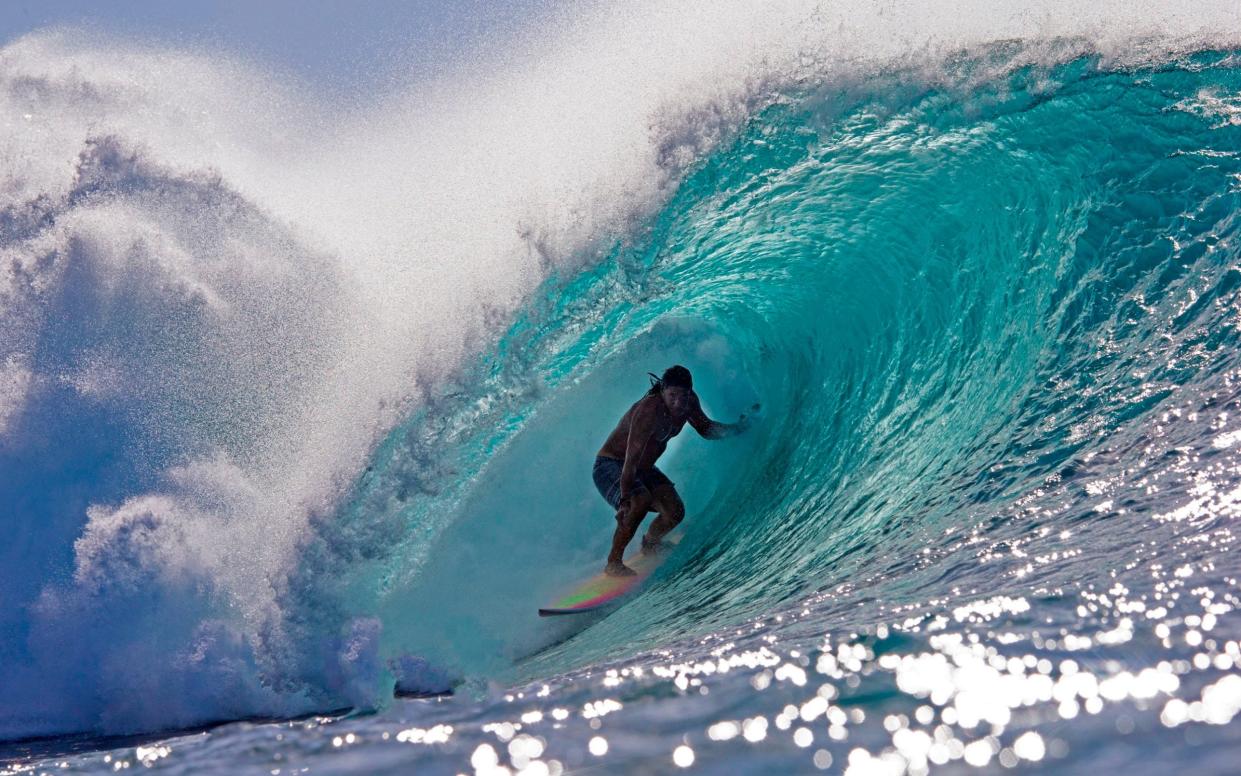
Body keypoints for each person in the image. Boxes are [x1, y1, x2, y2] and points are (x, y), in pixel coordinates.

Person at [593, 365, 755, 576]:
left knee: (674, 512)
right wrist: (624, 502)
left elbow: (705, 429)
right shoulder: (647, 412)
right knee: (638, 501)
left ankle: (650, 544)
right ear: (663, 392)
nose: (678, 402)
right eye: (672, 395)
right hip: (612, 465)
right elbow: (630, 461)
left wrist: (736, 428)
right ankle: (613, 563)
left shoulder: (689, 403)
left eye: (684, 395)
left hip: (644, 468)